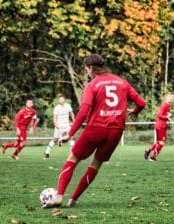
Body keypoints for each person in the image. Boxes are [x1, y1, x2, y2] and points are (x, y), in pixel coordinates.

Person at [44, 54, 146, 208]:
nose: (86, 72)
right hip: (115, 132)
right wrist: (135, 110)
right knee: (96, 164)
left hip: (95, 128)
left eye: (86, 69)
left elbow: (83, 111)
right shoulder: (122, 82)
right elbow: (142, 103)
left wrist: (69, 134)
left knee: (72, 159)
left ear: (91, 68)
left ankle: (59, 197)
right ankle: (73, 199)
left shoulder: (92, 85)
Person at [144, 93, 173, 162]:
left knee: (159, 142)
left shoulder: (168, 105)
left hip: (162, 125)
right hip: (160, 126)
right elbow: (159, 115)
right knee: (161, 142)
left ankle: (148, 150)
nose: (171, 99)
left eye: (172, 97)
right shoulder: (164, 105)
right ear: (166, 97)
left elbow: (164, 115)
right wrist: (167, 117)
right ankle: (152, 157)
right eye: (170, 97)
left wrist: (168, 118)